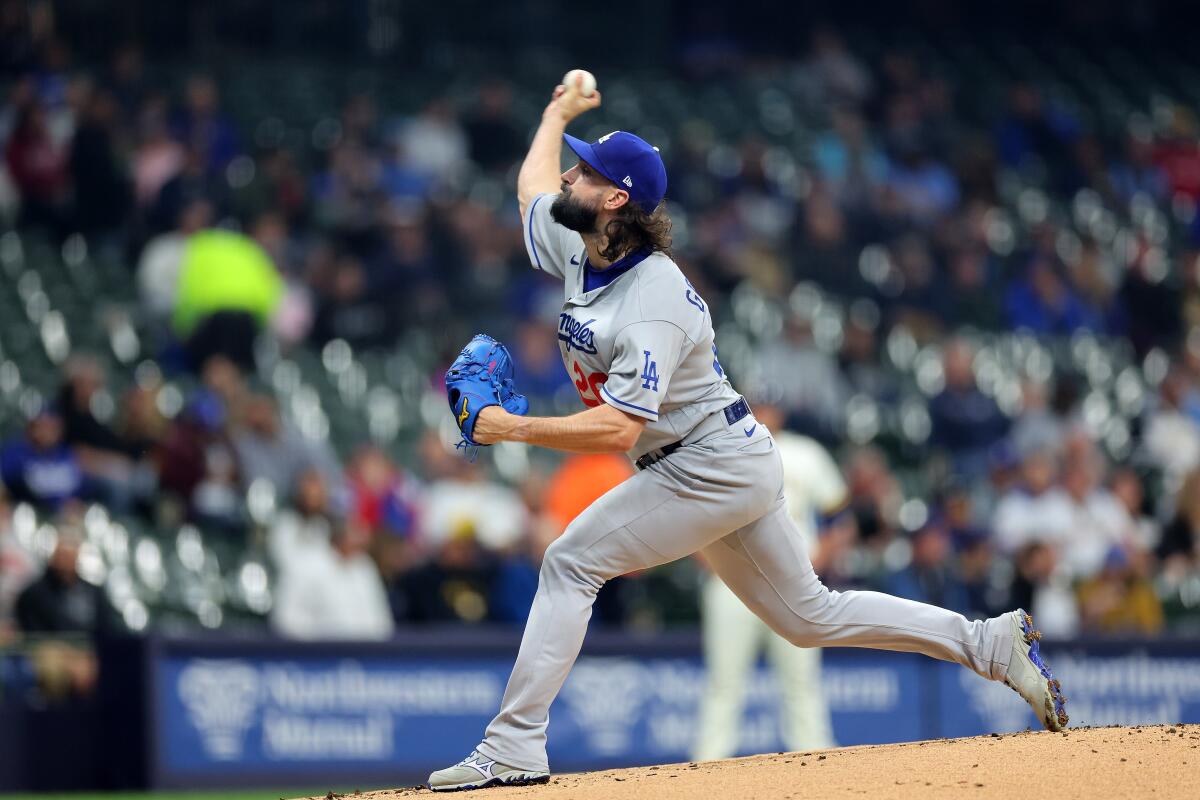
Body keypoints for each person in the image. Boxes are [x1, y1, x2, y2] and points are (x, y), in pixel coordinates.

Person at [426, 76, 1067, 793]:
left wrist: (508, 428)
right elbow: (528, 190)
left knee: (570, 562)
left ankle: (514, 745)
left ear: (615, 200)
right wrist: (555, 113)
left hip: (707, 465)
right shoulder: (582, 242)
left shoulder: (654, 297)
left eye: (585, 169)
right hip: (714, 459)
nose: (568, 174)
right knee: (809, 615)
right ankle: (988, 641)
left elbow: (618, 426)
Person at [693, 402, 849, 760]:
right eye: (756, 401)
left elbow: (839, 519)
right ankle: (706, 768)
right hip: (731, 584)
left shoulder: (805, 452)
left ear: (781, 410)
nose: (764, 410)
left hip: (792, 582)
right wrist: (712, 562)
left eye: (770, 404)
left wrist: (816, 563)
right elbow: (689, 515)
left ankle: (818, 761)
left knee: (801, 683)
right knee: (724, 683)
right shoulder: (717, 445)